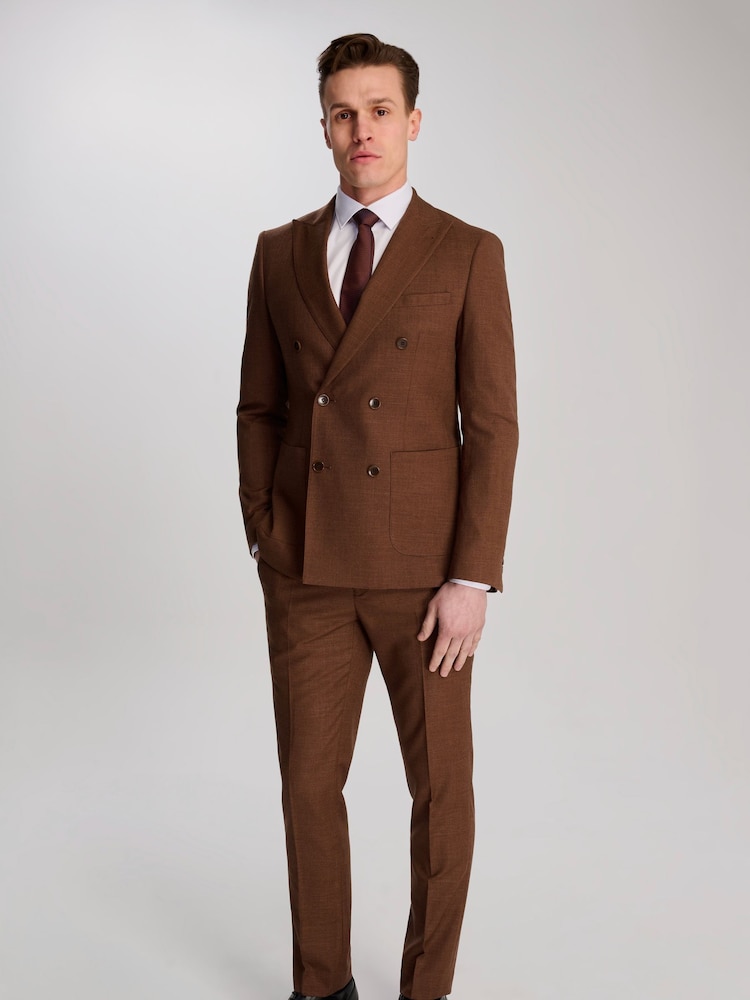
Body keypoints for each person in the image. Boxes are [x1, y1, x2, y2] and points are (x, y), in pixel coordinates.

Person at [237, 32, 518, 1000]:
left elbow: (492, 425)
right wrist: (265, 528)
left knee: (439, 793)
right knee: (309, 790)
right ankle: (321, 985)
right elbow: (259, 407)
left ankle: (423, 990)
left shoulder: (468, 251)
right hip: (306, 567)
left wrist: (471, 576)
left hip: (424, 577)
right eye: (343, 113)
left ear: (413, 122)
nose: (362, 129)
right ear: (323, 127)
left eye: (380, 110)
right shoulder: (279, 252)